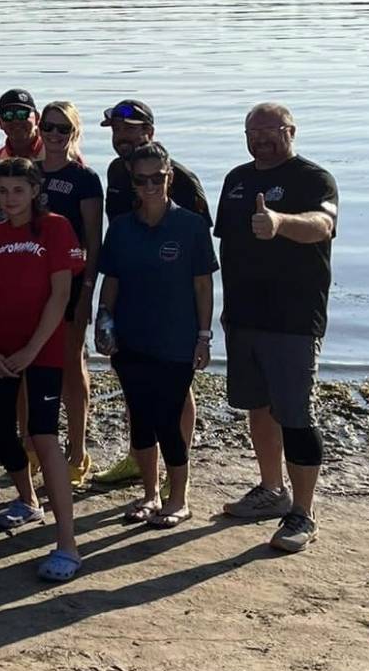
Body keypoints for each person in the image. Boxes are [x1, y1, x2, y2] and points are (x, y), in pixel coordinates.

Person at [215, 103, 338, 553]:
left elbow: (322, 225)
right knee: (258, 407)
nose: (262, 139)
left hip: (294, 320)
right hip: (244, 318)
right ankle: (271, 489)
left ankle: (303, 512)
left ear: (291, 131)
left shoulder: (313, 178)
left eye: (271, 131)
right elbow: (227, 247)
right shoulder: (236, 180)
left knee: (297, 416)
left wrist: (281, 222)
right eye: (254, 131)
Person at [96, 143, 216, 528]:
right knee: (141, 421)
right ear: (131, 181)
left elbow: (203, 287)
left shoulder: (191, 227)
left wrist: (203, 337)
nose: (148, 185)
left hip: (176, 341)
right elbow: (110, 282)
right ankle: (148, 494)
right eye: (140, 179)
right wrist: (103, 322)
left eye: (156, 178)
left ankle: (178, 498)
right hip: (130, 340)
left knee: (168, 419)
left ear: (169, 177)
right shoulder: (121, 228)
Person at [0, 158, 85, 581]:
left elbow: (61, 296)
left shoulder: (56, 227)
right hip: (0, 351)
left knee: (42, 435)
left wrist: (33, 348)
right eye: (2, 191)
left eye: (17, 190)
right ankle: (27, 501)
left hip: (42, 352)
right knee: (3, 428)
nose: (9, 199)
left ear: (35, 191)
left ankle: (68, 544)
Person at [37, 101, 103, 486]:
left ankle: (77, 450)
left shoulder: (84, 178)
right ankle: (34, 448)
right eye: (49, 127)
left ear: (74, 133)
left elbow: (93, 239)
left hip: (73, 282)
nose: (55, 135)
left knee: (70, 365)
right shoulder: (29, 171)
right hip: (32, 280)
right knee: (32, 365)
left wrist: (88, 291)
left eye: (64, 129)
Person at [101, 100, 210, 222]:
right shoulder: (116, 170)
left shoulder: (181, 177)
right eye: (116, 129)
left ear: (149, 132)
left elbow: (199, 233)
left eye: (129, 129)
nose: (121, 136)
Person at [0, 89, 44, 229]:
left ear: (37, 117)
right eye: (8, 115)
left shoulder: (61, 155)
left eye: (23, 114)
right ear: (0, 122)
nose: (16, 120)